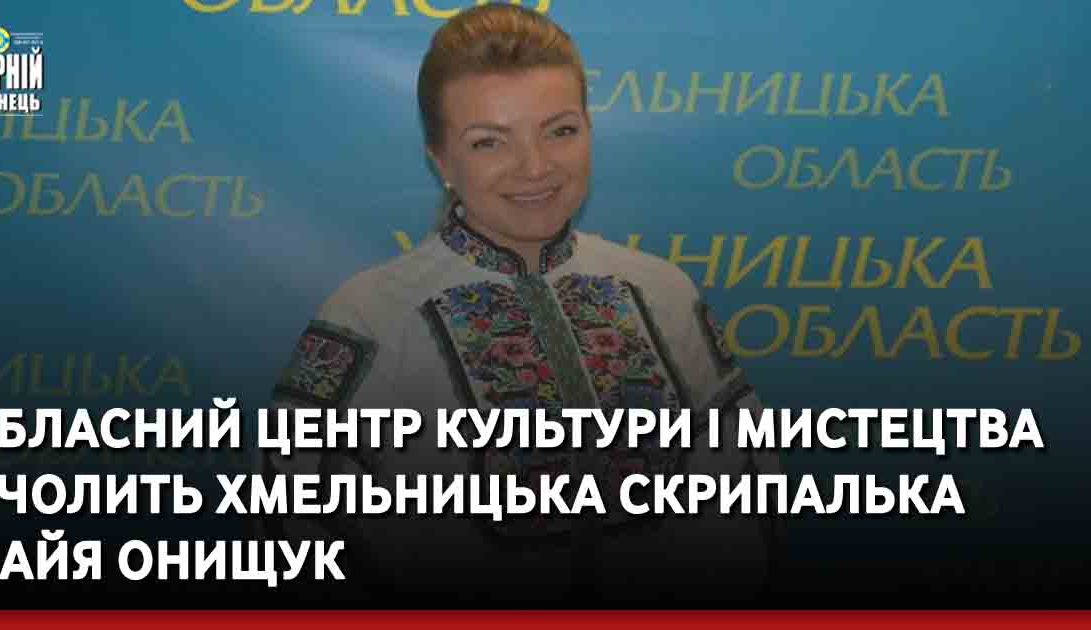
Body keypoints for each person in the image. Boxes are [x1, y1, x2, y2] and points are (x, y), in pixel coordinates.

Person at [262, 2, 781, 605]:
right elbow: (288, 520)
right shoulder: (370, 317)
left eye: (560, 131)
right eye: (489, 142)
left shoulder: (663, 292)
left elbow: (749, 486)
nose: (535, 167)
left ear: (590, 130)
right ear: (439, 159)